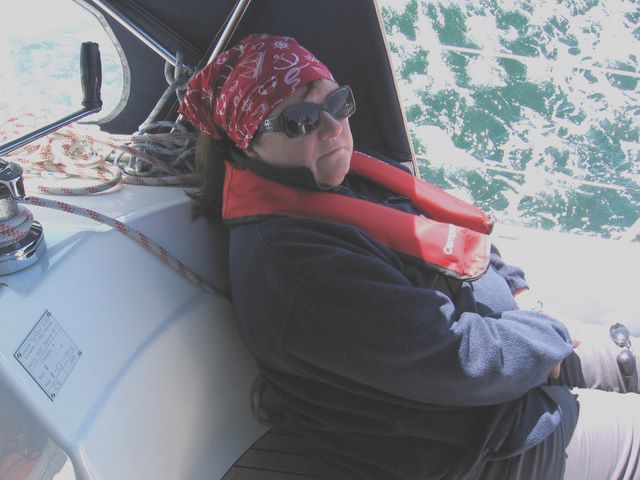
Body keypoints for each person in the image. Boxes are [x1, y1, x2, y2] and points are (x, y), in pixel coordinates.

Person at [179, 33, 640, 479]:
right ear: (250, 142)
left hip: (508, 362)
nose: (332, 127)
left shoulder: (339, 176)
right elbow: (458, 361)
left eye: (337, 102)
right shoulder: (295, 266)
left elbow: (453, 235)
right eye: (300, 119)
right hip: (470, 447)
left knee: (627, 358)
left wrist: (518, 292)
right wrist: (549, 338)